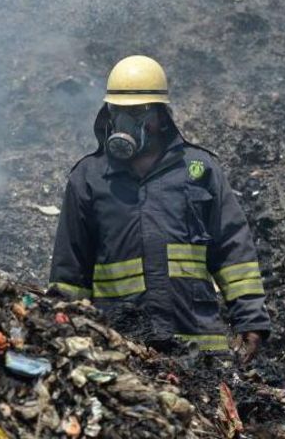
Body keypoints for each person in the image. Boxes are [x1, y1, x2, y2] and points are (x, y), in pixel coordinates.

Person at [47, 55, 271, 362]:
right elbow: (70, 270)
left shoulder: (198, 169)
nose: (125, 121)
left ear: (161, 116)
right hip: (122, 349)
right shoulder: (89, 178)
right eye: (118, 111)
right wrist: (64, 328)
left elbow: (233, 250)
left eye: (138, 112)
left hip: (199, 349)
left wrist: (251, 319)